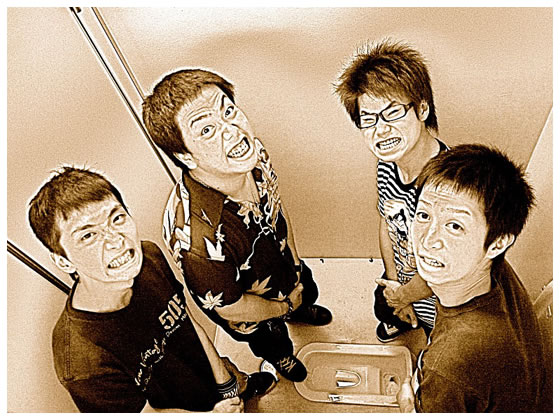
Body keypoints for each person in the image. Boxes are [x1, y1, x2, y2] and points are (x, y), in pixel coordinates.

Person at [27, 166, 276, 413]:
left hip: (205, 384)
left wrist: (226, 384)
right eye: (88, 236)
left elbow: (186, 320)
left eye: (117, 218)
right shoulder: (83, 364)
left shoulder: (148, 257)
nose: (116, 241)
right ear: (64, 261)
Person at [142, 69, 332, 383]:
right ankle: (282, 356)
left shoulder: (252, 154)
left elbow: (277, 211)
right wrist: (283, 307)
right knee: (271, 339)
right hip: (251, 307)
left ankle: (301, 309)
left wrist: (296, 266)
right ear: (185, 156)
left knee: (307, 290)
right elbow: (233, 308)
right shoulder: (197, 243)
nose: (232, 131)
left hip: (283, 264)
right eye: (207, 130)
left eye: (228, 111)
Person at [397, 144, 545, 412]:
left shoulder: (449, 364)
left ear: (498, 243)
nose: (428, 240)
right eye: (424, 215)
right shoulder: (496, 269)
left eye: (454, 226)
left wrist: (407, 404)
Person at [335, 39, 447, 341]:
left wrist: (405, 296)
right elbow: (388, 222)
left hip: (436, 299)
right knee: (383, 305)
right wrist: (394, 284)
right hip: (400, 281)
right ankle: (395, 320)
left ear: (422, 109)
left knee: (435, 341)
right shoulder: (387, 163)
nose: (380, 129)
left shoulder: (448, 188)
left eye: (393, 112)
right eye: (368, 119)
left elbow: (445, 269)